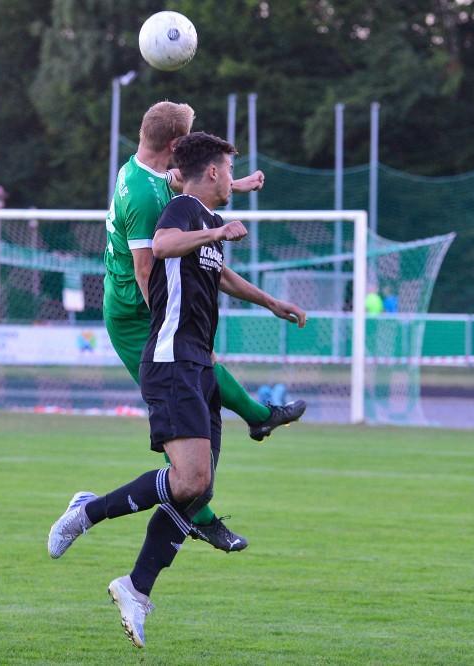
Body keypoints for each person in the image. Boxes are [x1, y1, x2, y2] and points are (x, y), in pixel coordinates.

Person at [48, 132, 307, 648]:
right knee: (188, 480)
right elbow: (164, 245)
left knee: (199, 488)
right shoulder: (183, 209)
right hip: (171, 362)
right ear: (211, 173)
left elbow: (219, 274)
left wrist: (270, 302)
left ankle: (136, 589)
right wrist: (217, 234)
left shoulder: (203, 221)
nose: (233, 180)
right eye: (230, 171)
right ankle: (88, 512)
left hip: (198, 364)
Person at [101, 101, 305, 552]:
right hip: (136, 314)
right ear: (174, 145)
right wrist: (176, 329)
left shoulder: (148, 174)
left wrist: (236, 184)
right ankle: (205, 515)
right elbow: (144, 269)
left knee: (202, 395)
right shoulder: (145, 196)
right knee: (187, 424)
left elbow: (180, 180)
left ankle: (257, 418)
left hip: (149, 308)